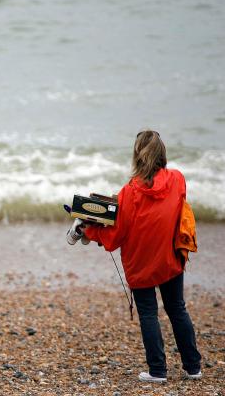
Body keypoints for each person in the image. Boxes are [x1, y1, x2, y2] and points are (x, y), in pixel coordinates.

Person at [83, 130, 202, 382]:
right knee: (177, 309)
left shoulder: (130, 192)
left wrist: (90, 230)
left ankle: (157, 371)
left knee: (148, 314)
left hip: (142, 263)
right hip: (170, 257)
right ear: (162, 153)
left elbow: (116, 235)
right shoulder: (178, 180)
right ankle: (193, 367)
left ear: (137, 155)